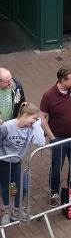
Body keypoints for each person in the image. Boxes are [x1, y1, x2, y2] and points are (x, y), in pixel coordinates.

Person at [40, 66, 71, 208]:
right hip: (59, 139)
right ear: (62, 81)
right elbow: (42, 117)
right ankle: (54, 192)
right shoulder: (48, 95)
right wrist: (52, 137)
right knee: (56, 168)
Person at [0, 102, 44, 225]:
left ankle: (16, 210)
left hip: (17, 162)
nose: (34, 121)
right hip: (3, 161)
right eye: (33, 118)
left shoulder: (31, 129)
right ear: (25, 115)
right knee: (4, 186)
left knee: (23, 187)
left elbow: (41, 142)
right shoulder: (7, 126)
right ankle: (7, 210)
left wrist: (37, 126)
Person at [0, 67, 26, 197]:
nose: (10, 82)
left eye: (10, 79)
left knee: (9, 155)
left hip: (10, 128)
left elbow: (22, 103)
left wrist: (21, 120)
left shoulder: (16, 85)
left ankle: (10, 181)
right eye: (6, 81)